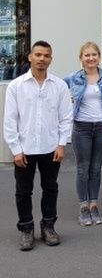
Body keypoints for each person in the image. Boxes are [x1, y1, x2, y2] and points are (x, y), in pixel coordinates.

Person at [3, 41, 73, 251]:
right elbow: (10, 120)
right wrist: (16, 149)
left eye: (46, 55)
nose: (42, 59)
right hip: (24, 149)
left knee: (50, 188)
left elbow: (66, 118)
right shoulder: (16, 86)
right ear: (30, 57)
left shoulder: (59, 86)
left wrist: (62, 144)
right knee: (23, 191)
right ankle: (26, 228)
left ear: (51, 59)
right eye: (38, 55)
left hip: (51, 148)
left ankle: (48, 227)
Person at [64, 42, 102, 226]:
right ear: (81, 58)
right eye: (87, 55)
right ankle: (83, 207)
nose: (91, 58)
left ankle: (94, 204)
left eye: (94, 54)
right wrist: (67, 103)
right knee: (83, 168)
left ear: (99, 56)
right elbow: (57, 93)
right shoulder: (72, 78)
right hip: (81, 128)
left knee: (95, 168)